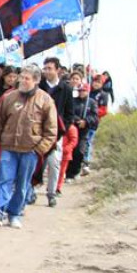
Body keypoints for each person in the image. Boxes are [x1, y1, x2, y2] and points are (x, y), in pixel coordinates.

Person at [0, 65, 58, 229]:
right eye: (22, 77)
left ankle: (14, 214)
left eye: (27, 78)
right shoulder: (9, 98)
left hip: (30, 151)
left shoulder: (45, 100)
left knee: (22, 184)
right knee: (3, 180)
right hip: (8, 148)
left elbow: (51, 130)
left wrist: (39, 149)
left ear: (36, 80)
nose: (23, 81)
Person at [38, 57, 74, 208]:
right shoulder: (39, 86)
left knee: (54, 164)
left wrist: (62, 129)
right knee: (37, 163)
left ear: (57, 69)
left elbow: (69, 113)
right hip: (37, 132)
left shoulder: (66, 89)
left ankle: (51, 193)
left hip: (56, 134)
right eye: (45, 68)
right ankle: (32, 189)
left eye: (49, 68)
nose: (46, 71)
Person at [67, 81, 100, 178]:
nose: (81, 92)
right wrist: (77, 121)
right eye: (80, 90)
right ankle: (69, 173)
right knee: (71, 150)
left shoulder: (92, 103)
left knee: (80, 151)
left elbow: (94, 117)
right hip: (73, 129)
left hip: (84, 131)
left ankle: (76, 171)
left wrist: (86, 121)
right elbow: (70, 113)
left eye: (83, 91)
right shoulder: (73, 101)